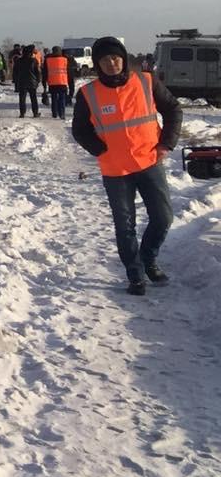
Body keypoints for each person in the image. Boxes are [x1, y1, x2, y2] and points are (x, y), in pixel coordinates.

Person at [71, 35, 181, 295]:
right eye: (105, 59)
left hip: (149, 161)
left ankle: (148, 259)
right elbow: (80, 130)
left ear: (124, 58)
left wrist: (166, 143)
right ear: (98, 64)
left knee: (163, 217)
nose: (112, 63)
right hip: (115, 170)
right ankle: (136, 275)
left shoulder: (146, 81)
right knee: (125, 224)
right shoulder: (88, 94)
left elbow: (174, 109)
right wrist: (101, 150)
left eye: (116, 57)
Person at [44, 45, 73, 121]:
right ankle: (62, 113)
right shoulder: (65, 60)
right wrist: (70, 85)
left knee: (54, 98)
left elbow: (45, 73)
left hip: (52, 82)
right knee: (62, 98)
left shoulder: (48, 60)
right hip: (62, 82)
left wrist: (44, 83)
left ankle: (54, 113)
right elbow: (69, 73)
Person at [11, 44, 41, 118]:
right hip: (32, 82)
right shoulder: (34, 60)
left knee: (22, 98)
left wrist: (15, 80)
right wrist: (38, 80)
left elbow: (15, 71)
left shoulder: (19, 61)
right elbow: (37, 72)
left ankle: (22, 113)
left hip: (22, 82)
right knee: (33, 98)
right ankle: (35, 112)